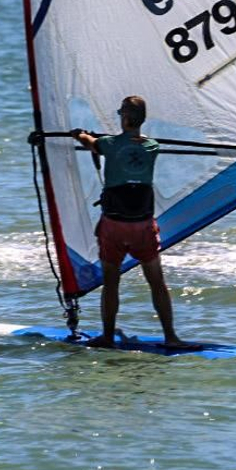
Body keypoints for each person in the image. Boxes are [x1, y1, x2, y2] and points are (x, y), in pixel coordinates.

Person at [72, 95, 190, 349]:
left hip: (114, 226)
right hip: (143, 227)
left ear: (124, 118)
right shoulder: (152, 147)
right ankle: (171, 336)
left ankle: (106, 336)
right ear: (142, 120)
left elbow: (89, 142)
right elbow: (126, 145)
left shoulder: (109, 144)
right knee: (156, 281)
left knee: (111, 282)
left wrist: (79, 134)